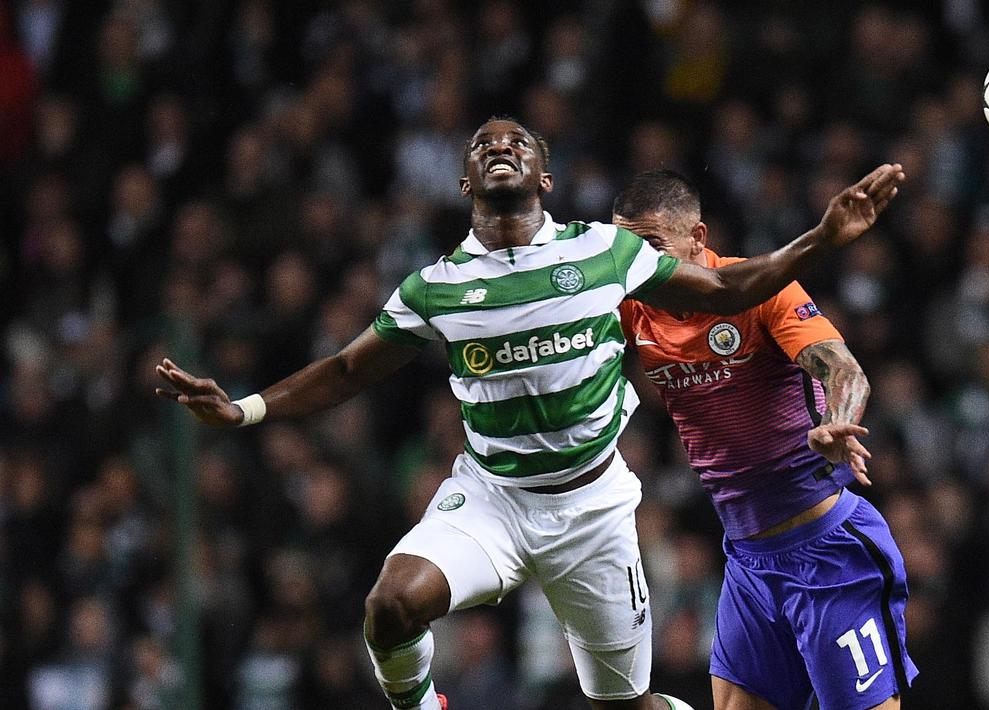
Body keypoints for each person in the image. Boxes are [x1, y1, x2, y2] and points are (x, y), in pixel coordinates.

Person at [155, 117, 905, 710]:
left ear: (545, 176)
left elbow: (787, 328)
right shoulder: (445, 287)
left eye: (516, 140)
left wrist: (821, 249)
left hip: (663, 518)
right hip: (511, 502)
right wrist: (245, 408)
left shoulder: (617, 262)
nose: (499, 145)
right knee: (390, 603)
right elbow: (349, 368)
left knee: (627, 704)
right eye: (484, 143)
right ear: (463, 180)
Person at [615, 169, 918, 710]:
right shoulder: (630, 307)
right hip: (749, 562)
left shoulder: (759, 291)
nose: (637, 268)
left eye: (652, 249)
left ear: (697, 239)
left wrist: (837, 421)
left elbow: (845, 372)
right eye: (624, 251)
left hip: (829, 552)